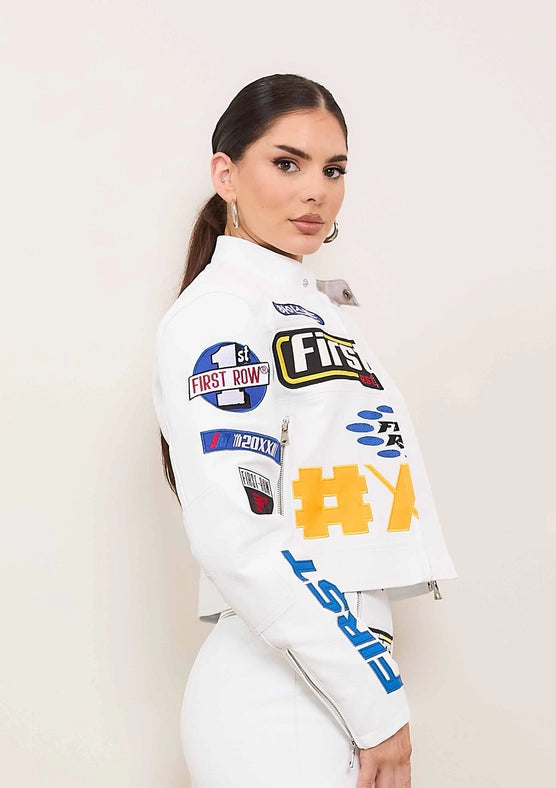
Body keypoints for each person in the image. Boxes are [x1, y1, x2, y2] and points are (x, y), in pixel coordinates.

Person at [151, 73, 458, 788]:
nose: (316, 190)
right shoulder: (221, 315)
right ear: (226, 174)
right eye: (287, 163)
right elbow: (238, 535)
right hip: (282, 691)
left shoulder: (316, 310)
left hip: (333, 668)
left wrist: (373, 689)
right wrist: (376, 704)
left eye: (333, 169)